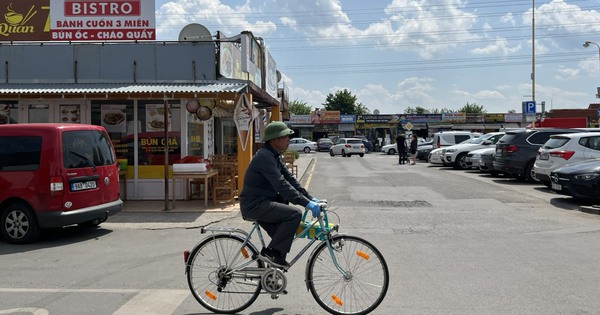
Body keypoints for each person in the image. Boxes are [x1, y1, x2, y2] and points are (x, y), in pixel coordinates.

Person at [239, 121, 321, 268]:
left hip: (262, 202)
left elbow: (290, 180)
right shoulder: (265, 157)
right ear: (275, 139)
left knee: (283, 235)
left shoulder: (274, 156)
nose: (288, 140)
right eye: (285, 137)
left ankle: (273, 273)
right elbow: (281, 185)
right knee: (294, 214)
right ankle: (271, 254)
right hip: (254, 205)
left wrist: (310, 198)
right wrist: (305, 204)